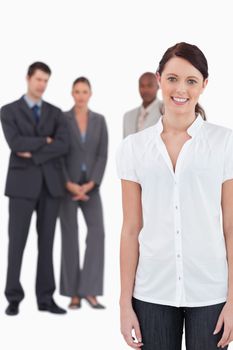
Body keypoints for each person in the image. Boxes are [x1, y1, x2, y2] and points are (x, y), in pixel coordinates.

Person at [116, 42, 233, 349]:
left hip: (211, 293)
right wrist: (124, 304)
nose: (181, 89)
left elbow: (231, 227)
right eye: (172, 78)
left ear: (204, 85)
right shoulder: (134, 148)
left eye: (191, 80)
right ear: (159, 80)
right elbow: (130, 229)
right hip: (152, 291)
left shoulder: (224, 143)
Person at [1, 62, 69, 315]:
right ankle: (13, 297)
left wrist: (34, 150)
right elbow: (15, 143)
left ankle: (45, 298)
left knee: (48, 243)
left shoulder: (56, 112)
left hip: (51, 186)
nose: (42, 85)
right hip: (21, 187)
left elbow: (63, 145)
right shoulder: (8, 111)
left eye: (46, 81)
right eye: (38, 79)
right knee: (16, 242)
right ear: (28, 78)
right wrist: (45, 141)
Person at [60, 77, 108, 310]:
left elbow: (102, 154)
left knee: (97, 233)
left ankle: (90, 290)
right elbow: (56, 153)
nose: (80, 95)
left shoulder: (99, 121)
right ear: (72, 93)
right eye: (77, 91)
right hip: (66, 185)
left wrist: (91, 184)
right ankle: (73, 294)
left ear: (90, 94)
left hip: (91, 186)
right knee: (70, 236)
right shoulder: (62, 119)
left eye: (84, 91)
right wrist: (68, 183)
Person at [123, 72, 162, 138]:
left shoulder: (165, 111)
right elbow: (125, 145)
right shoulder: (128, 116)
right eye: (142, 86)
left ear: (158, 86)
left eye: (150, 85)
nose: (145, 90)